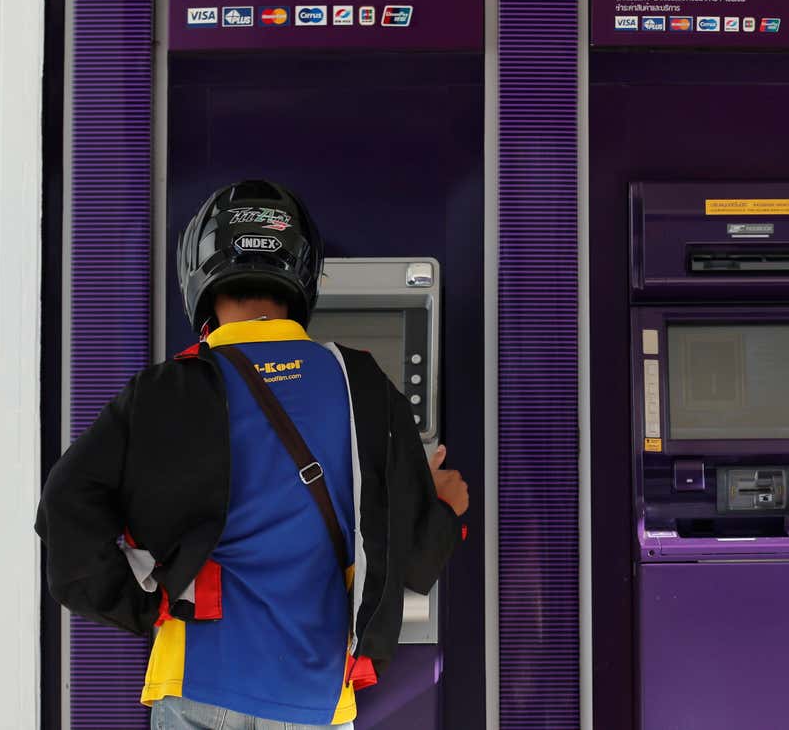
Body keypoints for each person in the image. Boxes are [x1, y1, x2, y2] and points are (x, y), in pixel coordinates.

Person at [35, 180, 468, 729]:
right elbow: (413, 558)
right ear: (302, 273)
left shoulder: (165, 391)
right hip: (313, 694)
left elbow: (66, 505)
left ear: (200, 272)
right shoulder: (362, 385)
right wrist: (444, 505)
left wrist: (145, 602)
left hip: (196, 682)